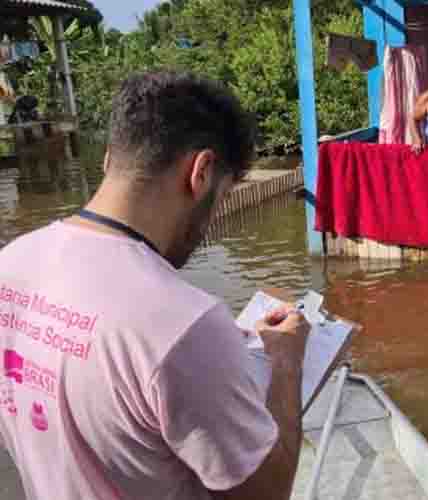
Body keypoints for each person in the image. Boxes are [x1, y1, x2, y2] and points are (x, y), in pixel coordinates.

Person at [0, 71, 310, 500]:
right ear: (201, 172)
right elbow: (267, 493)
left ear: (110, 158)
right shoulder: (185, 323)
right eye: (221, 197)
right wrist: (286, 362)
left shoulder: (11, 262)